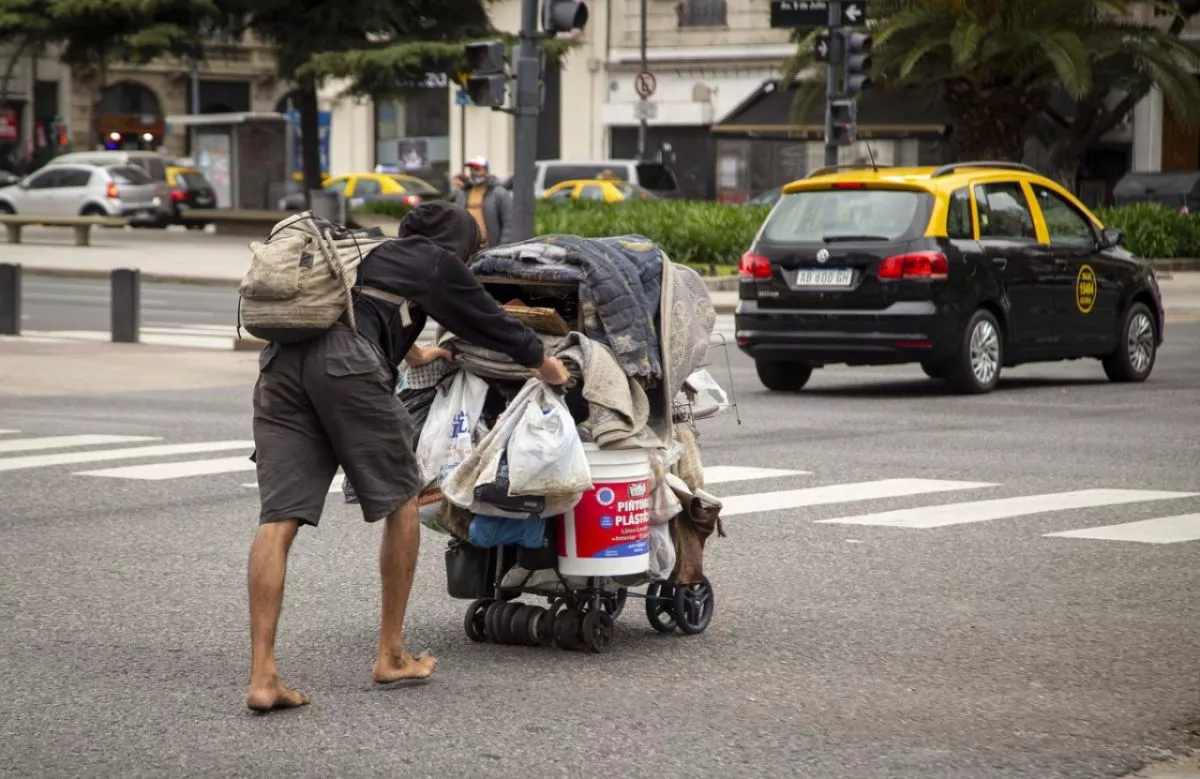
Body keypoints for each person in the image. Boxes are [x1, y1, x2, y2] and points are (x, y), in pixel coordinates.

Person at [245, 201, 569, 713]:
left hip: (281, 368)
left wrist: (416, 353)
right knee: (403, 501)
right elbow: (490, 323)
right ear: (459, 244)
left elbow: (365, 310)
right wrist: (547, 365)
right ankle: (391, 654)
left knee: (278, 519)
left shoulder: (371, 252)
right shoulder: (437, 260)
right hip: (347, 368)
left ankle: (263, 677)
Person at [451, 156, 513, 248]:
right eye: (471, 170)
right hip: (469, 250)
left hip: (491, 249)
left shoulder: (499, 193)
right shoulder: (463, 193)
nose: (473, 173)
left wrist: (502, 248)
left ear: (486, 171)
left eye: (477, 169)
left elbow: (509, 223)